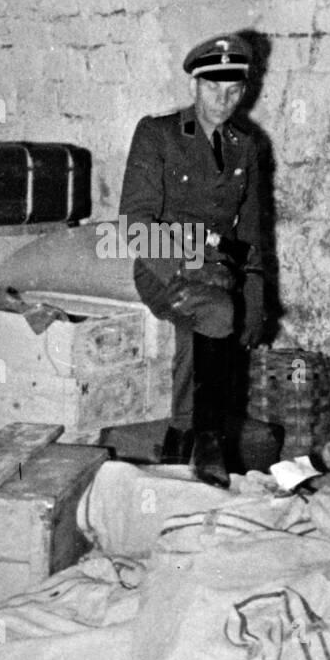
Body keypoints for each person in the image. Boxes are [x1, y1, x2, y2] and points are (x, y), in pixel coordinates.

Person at [118, 33, 267, 487]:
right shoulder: (157, 134)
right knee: (218, 310)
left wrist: (256, 298)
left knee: (215, 316)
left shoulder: (247, 145)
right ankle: (209, 439)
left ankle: (181, 437)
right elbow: (134, 223)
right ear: (194, 85)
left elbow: (252, 231)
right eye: (212, 88)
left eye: (234, 90)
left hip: (220, 271)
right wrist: (182, 270)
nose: (223, 101)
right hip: (164, 267)